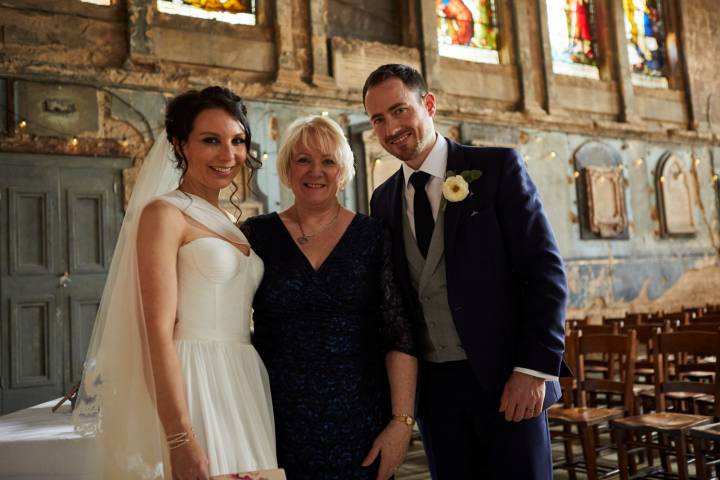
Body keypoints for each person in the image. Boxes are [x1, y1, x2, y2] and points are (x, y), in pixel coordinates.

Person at [363, 64, 569, 479]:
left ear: (430, 104)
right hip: (436, 393)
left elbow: (544, 270)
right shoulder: (382, 200)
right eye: (378, 119)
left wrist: (533, 370)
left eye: (400, 111)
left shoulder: (495, 169)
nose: (391, 128)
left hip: (508, 381)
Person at [73, 86, 277, 479]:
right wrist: (181, 437)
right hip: (194, 377)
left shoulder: (233, 227)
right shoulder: (163, 214)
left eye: (238, 141)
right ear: (179, 144)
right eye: (210, 140)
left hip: (243, 378)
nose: (228, 154)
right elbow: (156, 331)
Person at [240, 115, 417, 480]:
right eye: (303, 159)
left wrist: (401, 422)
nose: (315, 171)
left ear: (343, 170)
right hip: (274, 416)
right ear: (287, 169)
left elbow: (399, 334)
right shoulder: (256, 235)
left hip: (360, 419)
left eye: (328, 161)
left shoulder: (373, 236)